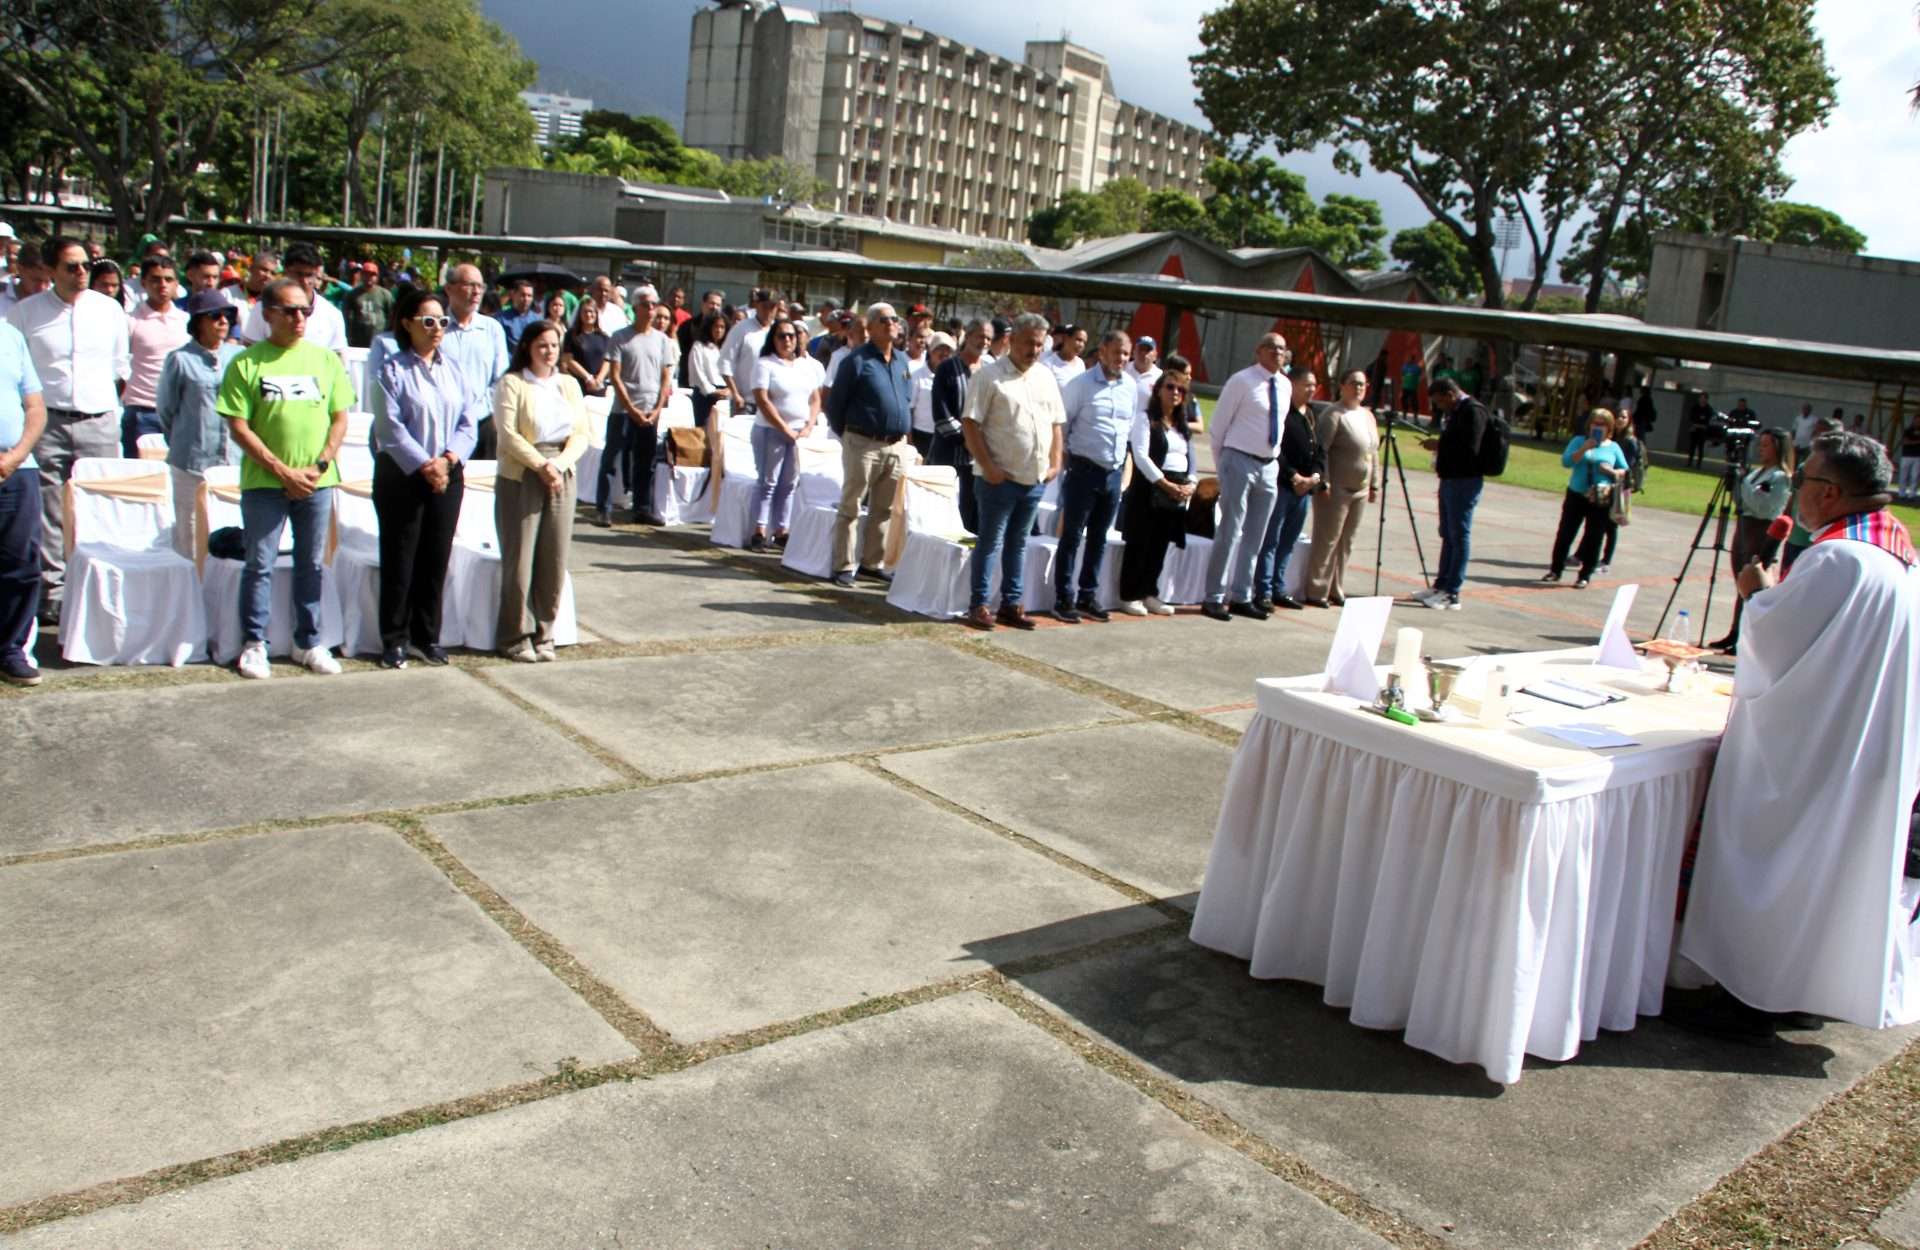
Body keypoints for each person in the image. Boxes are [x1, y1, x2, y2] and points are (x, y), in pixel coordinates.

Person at [1673, 432, 1920, 1042]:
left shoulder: (1839, 560)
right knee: (1830, 879)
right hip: (1866, 743)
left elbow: (1776, 641)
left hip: (1813, 750)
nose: (1799, 489)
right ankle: (1809, 990)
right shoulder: (1897, 553)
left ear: (1831, 493)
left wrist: (1754, 591)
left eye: (1806, 479)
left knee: (1776, 867)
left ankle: (1754, 994)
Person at [217, 276, 353, 679]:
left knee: (310, 563)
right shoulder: (246, 362)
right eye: (291, 311)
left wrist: (321, 464)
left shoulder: (325, 360)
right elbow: (239, 426)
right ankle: (254, 642)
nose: (300, 318)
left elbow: (340, 416)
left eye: (305, 310)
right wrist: (281, 470)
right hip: (265, 483)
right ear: (268, 313)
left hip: (316, 482)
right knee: (259, 563)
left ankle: (308, 641)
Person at [8, 236, 129, 625]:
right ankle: (54, 593)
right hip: (49, 421)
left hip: (99, 418)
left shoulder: (109, 310)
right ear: (51, 271)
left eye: (85, 266)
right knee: (49, 511)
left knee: (102, 505)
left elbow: (119, 365)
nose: (81, 273)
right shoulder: (25, 314)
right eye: (71, 267)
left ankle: (97, 592)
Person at [371, 287, 479, 670]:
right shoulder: (392, 369)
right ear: (407, 324)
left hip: (447, 474)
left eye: (442, 322)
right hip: (403, 475)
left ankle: (426, 635)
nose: (437, 329)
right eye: (428, 321)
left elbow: (469, 422)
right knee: (401, 556)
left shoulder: (454, 370)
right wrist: (425, 464)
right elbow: (390, 427)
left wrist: (448, 460)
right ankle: (394, 638)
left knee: (436, 556)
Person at [960, 311, 1063, 630]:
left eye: (1039, 345)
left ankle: (1011, 603)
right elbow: (970, 424)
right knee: (990, 542)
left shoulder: (1045, 376)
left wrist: (1055, 462)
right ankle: (978, 604)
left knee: (1018, 543)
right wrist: (989, 467)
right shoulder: (989, 376)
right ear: (1012, 340)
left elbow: (1056, 424)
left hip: (1033, 479)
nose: (1034, 350)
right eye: (1028, 343)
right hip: (998, 479)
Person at [492, 319, 588, 663]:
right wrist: (541, 465)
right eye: (542, 346)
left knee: (554, 555)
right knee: (521, 558)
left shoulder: (569, 385)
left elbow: (581, 433)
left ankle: (545, 631)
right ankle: (516, 635)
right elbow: (507, 434)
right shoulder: (512, 383)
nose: (549, 352)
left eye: (553, 345)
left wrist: (558, 465)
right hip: (523, 472)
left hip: (561, 469)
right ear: (528, 349)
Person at [1203, 334, 1291, 621]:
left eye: (1282, 348)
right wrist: (1223, 465)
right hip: (1239, 459)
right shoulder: (1242, 380)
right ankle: (1214, 596)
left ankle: (1242, 595)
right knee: (1230, 531)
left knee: (1256, 535)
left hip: (1269, 464)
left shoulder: (1286, 385)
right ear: (1259, 351)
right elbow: (1218, 426)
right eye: (1272, 347)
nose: (1278, 353)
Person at [825, 303, 912, 587]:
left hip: (895, 445)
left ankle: (872, 563)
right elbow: (835, 405)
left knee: (884, 509)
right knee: (852, 505)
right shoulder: (856, 361)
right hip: (863, 443)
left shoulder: (901, 360)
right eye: (884, 320)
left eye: (894, 320)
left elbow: (905, 399)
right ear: (871, 327)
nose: (891, 324)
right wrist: (851, 436)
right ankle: (844, 565)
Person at [1052, 330, 1136, 623]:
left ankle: (1088, 593)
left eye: (1126, 354)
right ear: (1102, 352)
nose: (1121, 359)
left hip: (1112, 474)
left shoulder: (1130, 387)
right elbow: (1062, 427)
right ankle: (1064, 597)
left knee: (1099, 538)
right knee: (1072, 537)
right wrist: (1066, 465)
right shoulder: (1081, 385)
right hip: (1083, 471)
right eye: (1116, 353)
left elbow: (1128, 430)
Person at [156, 291, 242, 557]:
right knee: (191, 537)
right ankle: (190, 595)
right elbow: (167, 410)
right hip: (191, 462)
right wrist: (188, 440)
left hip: (234, 461)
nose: (223, 322)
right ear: (198, 322)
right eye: (214, 316)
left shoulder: (239, 356)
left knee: (229, 536)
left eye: (227, 316)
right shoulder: (180, 359)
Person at [1116, 362, 1200, 617]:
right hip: (1149, 489)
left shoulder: (1181, 425)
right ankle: (1130, 595)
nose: (1175, 393)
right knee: (1140, 543)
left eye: (1180, 390)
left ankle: (1150, 592)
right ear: (1159, 390)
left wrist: (1191, 484)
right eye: (1170, 387)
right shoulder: (1145, 418)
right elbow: (1140, 455)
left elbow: (1191, 458)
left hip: (1176, 492)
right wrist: (1164, 483)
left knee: (1160, 545)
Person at [1707, 427, 1795, 652]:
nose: (1761, 449)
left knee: (1753, 583)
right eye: (1761, 444)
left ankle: (1745, 637)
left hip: (1762, 529)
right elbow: (1743, 501)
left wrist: (1742, 483)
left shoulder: (1780, 477)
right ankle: (1735, 632)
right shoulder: (1758, 473)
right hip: (1745, 526)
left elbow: (1766, 507)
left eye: (1766, 445)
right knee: (1741, 582)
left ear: (1778, 448)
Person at [1301, 370, 1379, 608]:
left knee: (1347, 542)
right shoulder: (1333, 414)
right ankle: (1317, 589)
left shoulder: (1367, 416)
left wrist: (1374, 483)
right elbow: (1321, 451)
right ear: (1342, 386)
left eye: (1363, 384)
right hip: (1336, 490)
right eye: (1353, 383)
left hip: (1360, 490)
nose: (1358, 388)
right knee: (1327, 540)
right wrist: (1323, 481)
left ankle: (1336, 586)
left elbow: (1373, 452)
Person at [747, 317, 824, 552]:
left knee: (789, 484)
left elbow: (815, 398)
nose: (787, 340)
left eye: (792, 336)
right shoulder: (765, 364)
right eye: (782, 336)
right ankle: (759, 530)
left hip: (799, 434)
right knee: (768, 482)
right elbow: (762, 399)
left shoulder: (804, 366)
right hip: (771, 430)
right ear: (774, 339)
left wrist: (809, 426)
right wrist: (784, 428)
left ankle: (782, 529)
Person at [1413, 376, 1489, 610]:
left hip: (1464, 481)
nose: (1439, 407)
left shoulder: (1473, 411)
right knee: (1447, 533)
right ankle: (1441, 584)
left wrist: (1440, 445)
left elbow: (1470, 447)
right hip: (1449, 479)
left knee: (1459, 534)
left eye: (1439, 402)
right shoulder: (1457, 411)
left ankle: (1452, 592)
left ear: (1450, 394)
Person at [1255, 364, 1325, 613]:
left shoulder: (1312, 415)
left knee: (1289, 542)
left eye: (1313, 385)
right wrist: (1293, 476)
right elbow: (1277, 449)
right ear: (1292, 385)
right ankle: (1262, 590)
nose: (1311, 390)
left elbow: (1319, 450)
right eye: (1306, 385)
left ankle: (1278, 588)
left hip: (1305, 489)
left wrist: (1315, 476)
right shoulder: (1283, 412)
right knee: (1271, 540)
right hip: (1285, 485)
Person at [0, 315, 45, 685]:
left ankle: (10, 648)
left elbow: (35, 407)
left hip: (17, 466)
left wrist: (16, 455)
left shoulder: (11, 336)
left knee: (21, 563)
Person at [604, 285, 672, 528]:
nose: (651, 308)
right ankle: (604, 508)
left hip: (650, 409)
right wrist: (630, 408)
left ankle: (642, 507)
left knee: (646, 462)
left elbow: (666, 377)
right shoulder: (620, 337)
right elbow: (615, 375)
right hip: (623, 410)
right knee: (612, 458)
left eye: (654, 304)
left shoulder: (663, 340)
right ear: (635, 307)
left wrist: (656, 409)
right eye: (646, 304)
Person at [1541, 407, 1629, 589]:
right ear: (1589, 425)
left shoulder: (1613, 447)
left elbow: (1625, 471)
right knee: (1565, 533)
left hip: (1600, 498)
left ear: (1609, 427)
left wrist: (1611, 471)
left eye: (1603, 425)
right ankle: (1555, 570)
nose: (1598, 427)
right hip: (1576, 494)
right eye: (1595, 424)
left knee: (1594, 537)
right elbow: (1566, 462)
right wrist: (1583, 449)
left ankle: (1585, 575)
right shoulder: (1578, 441)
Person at [438, 264, 509, 460]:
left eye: (481, 286)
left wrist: (476, 411)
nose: (477, 292)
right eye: (469, 285)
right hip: (442, 422)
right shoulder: (436, 327)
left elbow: (500, 379)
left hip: (482, 421)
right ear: (449, 288)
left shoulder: (491, 329)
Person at [121, 255, 189, 459]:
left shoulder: (186, 321)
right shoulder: (130, 321)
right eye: (155, 279)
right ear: (143, 283)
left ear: (177, 283)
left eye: (168, 279)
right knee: (140, 482)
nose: (162, 285)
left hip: (178, 412)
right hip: (142, 411)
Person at [930, 318, 990, 534]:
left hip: (980, 458)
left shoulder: (990, 370)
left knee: (972, 515)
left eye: (988, 338)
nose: (984, 342)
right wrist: (968, 440)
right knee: (944, 513)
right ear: (969, 336)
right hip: (949, 454)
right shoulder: (947, 368)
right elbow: (941, 414)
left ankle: (967, 563)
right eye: (980, 336)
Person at [238, 244, 346, 352]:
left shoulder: (332, 315)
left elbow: (339, 360)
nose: (304, 281)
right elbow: (250, 351)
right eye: (298, 274)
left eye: (309, 275)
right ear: (285, 272)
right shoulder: (263, 308)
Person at [721, 287, 780, 411]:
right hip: (746, 402)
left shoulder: (779, 331)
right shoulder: (741, 329)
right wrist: (735, 393)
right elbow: (725, 362)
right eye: (765, 306)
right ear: (756, 306)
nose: (768, 311)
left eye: (772, 307)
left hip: (772, 404)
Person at [908, 331, 952, 464]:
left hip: (946, 436)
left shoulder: (953, 376)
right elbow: (909, 409)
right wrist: (910, 442)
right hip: (921, 436)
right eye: (940, 349)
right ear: (930, 351)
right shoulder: (917, 375)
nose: (944, 353)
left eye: (948, 350)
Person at [560, 298, 613, 406]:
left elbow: (607, 360)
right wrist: (588, 378)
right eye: (585, 311)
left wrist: (598, 380)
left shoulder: (604, 337)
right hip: (578, 384)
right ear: (580, 314)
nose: (589, 315)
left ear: (596, 314)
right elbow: (568, 360)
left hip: (599, 386)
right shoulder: (571, 335)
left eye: (591, 312)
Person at [686, 309, 730, 428]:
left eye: (722, 327)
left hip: (725, 395)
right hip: (704, 394)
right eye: (716, 326)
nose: (719, 330)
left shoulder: (727, 348)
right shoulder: (699, 346)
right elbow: (697, 372)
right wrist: (712, 391)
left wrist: (729, 389)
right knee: (704, 432)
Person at [341, 263, 393, 350]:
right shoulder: (352, 295)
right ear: (361, 275)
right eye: (366, 274)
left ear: (377, 277)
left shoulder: (385, 294)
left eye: (372, 275)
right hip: (358, 341)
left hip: (380, 340)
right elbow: (346, 317)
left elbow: (391, 316)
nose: (369, 277)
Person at [494, 280, 539, 352]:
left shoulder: (537, 320)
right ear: (513, 295)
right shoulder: (501, 319)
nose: (526, 299)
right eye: (523, 295)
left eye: (529, 296)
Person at [1041, 324, 1087, 391]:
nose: (1081, 345)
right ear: (1066, 338)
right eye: (1079, 340)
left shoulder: (1080, 363)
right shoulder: (1048, 364)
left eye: (1084, 342)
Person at [1684, 391, 1715, 469]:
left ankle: (1698, 464)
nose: (1702, 400)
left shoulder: (1709, 409)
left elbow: (1709, 421)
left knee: (1700, 447)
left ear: (1706, 399)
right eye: (1701, 398)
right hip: (1694, 429)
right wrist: (1694, 425)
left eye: (1703, 398)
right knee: (1692, 446)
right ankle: (1689, 462)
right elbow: (1691, 418)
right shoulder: (1695, 407)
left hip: (1703, 431)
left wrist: (1702, 425)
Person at [1898, 412, 1920, 503]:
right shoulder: (1908, 431)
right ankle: (1902, 493)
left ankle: (1912, 494)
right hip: (1907, 456)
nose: (1918, 422)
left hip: (1918, 456)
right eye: (1916, 420)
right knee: (1904, 475)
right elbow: (1905, 442)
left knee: (1915, 476)